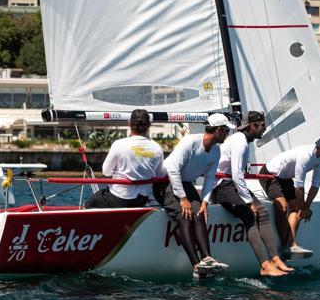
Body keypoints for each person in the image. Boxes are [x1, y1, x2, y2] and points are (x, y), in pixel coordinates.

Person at [209, 111, 292, 277]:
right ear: (252, 126)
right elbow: (236, 174)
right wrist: (248, 202)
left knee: (262, 213)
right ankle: (264, 265)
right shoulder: (239, 141)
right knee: (250, 215)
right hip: (221, 187)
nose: (264, 129)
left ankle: (275, 258)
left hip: (232, 184)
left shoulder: (243, 140)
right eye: (262, 126)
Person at [159, 113, 235, 279]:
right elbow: (172, 169)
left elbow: (209, 178)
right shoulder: (190, 142)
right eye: (226, 131)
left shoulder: (216, 151)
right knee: (184, 216)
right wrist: (183, 199)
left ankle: (207, 258)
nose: (227, 134)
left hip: (185, 184)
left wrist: (205, 202)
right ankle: (195, 265)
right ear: (219, 130)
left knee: (199, 214)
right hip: (166, 182)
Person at [260, 128, 320, 259]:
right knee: (283, 206)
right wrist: (304, 208)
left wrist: (307, 207)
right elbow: (299, 186)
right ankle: (285, 245)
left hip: (285, 178)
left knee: (297, 209)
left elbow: (315, 185)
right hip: (269, 174)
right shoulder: (305, 156)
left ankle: (290, 245)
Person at [85, 109, 165, 209]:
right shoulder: (157, 147)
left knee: (91, 203)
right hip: (142, 199)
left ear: (129, 124)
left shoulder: (119, 144)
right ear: (149, 125)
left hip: (118, 197)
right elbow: (160, 174)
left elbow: (106, 172)